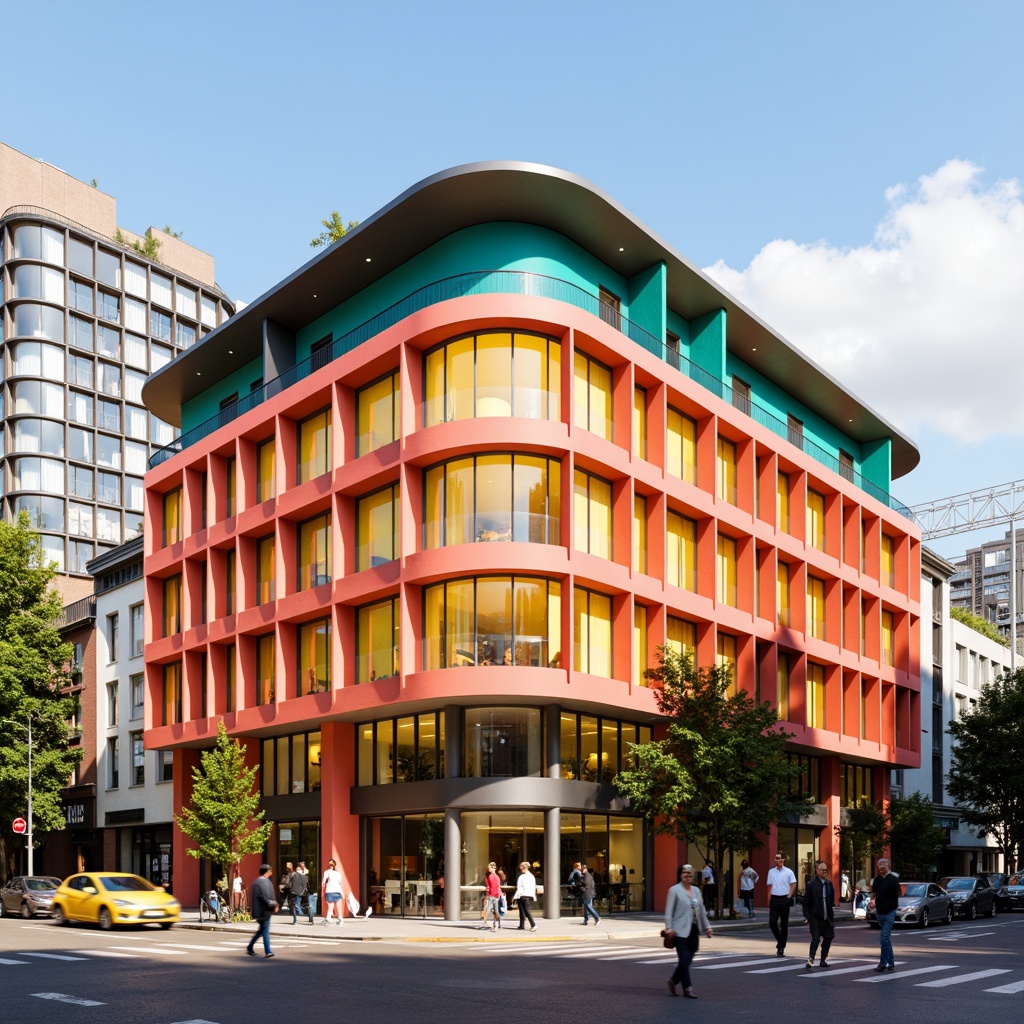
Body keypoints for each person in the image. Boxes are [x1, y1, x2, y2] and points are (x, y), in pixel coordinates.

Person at [664, 864, 713, 999]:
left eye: (690, 873)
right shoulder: (674, 890)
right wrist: (668, 928)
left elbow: (701, 911)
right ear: (680, 875)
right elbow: (668, 912)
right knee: (684, 959)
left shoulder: (697, 890)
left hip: (693, 930)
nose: (687, 875)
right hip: (678, 931)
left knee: (688, 959)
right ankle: (687, 988)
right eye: (685, 873)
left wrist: (707, 927)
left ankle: (673, 981)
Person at [802, 860, 836, 968]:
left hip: (827, 916)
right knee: (815, 937)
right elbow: (806, 902)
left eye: (826, 870)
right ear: (817, 871)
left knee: (829, 937)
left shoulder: (829, 884)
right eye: (822, 870)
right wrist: (808, 916)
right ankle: (811, 959)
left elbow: (831, 901)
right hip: (815, 917)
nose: (824, 872)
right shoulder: (811, 885)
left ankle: (823, 959)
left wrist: (831, 915)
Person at [869, 857, 900, 973]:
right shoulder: (877, 880)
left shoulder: (893, 879)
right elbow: (874, 894)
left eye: (883, 866)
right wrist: (872, 902)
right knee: (886, 939)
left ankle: (882, 964)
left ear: (888, 867)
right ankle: (891, 963)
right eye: (879, 866)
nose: (881, 868)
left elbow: (898, 893)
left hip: (890, 911)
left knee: (884, 937)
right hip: (880, 911)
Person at [766, 852, 797, 957]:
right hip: (775, 899)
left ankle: (781, 948)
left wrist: (789, 896)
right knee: (772, 922)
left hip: (784, 898)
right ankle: (780, 941)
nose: (776, 860)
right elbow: (769, 886)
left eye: (778, 858)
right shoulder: (771, 872)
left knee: (784, 924)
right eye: (775, 858)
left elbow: (793, 884)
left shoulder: (789, 872)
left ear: (783, 860)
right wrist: (769, 899)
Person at [246, 863, 278, 958]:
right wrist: (274, 904)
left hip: (260, 910)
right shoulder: (264, 882)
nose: (272, 872)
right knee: (265, 931)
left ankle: (250, 947)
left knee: (262, 930)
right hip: (265, 910)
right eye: (271, 871)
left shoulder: (257, 881)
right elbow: (266, 896)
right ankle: (268, 951)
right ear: (267, 871)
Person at [513, 861, 538, 931]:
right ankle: (521, 925)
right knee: (523, 910)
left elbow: (520, 887)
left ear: (524, 868)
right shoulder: (531, 876)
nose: (520, 869)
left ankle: (533, 924)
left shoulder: (522, 876)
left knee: (525, 911)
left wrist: (517, 895)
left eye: (521, 868)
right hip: (528, 895)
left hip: (522, 895)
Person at [321, 858, 344, 925]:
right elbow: (340, 883)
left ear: (328, 865)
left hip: (330, 891)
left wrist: (323, 890)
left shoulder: (327, 872)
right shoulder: (338, 873)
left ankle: (328, 919)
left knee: (330, 907)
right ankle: (340, 918)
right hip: (338, 890)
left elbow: (323, 883)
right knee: (339, 907)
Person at [483, 861, 502, 931]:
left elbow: (491, 887)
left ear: (493, 868)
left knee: (488, 910)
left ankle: (489, 923)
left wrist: (488, 895)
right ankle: (496, 924)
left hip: (492, 895)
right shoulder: (496, 877)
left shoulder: (491, 876)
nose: (489, 869)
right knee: (495, 911)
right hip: (496, 895)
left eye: (489, 868)